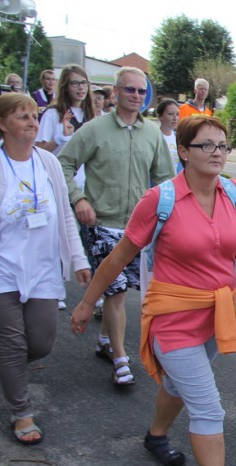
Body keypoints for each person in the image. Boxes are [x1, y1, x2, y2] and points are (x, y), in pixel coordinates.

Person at [71, 115, 236, 466]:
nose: (217, 153)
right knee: (207, 407)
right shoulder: (160, 200)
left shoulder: (234, 193)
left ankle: (155, 436)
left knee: (176, 385)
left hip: (216, 315)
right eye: (206, 145)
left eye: (222, 145)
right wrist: (86, 303)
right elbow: (118, 257)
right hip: (172, 318)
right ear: (184, 152)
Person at [0, 93, 91, 445]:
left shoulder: (48, 163)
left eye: (34, 116)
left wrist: (78, 259)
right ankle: (21, 412)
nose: (32, 122)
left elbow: (65, 215)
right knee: (13, 345)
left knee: (42, 343)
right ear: (2, 123)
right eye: (23, 117)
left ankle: (9, 366)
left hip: (42, 270)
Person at [58, 66, 175, 387]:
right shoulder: (94, 129)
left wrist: (168, 218)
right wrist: (79, 199)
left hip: (138, 229)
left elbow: (166, 180)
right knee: (116, 291)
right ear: (116, 92)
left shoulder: (152, 134)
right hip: (101, 225)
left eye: (141, 91)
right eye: (130, 89)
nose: (136, 96)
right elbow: (63, 163)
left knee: (126, 292)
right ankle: (121, 359)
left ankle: (105, 341)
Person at [36, 64, 96, 191]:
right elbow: (39, 150)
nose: (81, 87)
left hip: (85, 186)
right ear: (65, 86)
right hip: (58, 183)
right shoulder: (53, 114)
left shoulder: (91, 115)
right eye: (75, 83)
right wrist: (60, 139)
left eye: (84, 83)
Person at [156, 98, 181, 169]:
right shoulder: (155, 137)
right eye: (170, 114)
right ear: (160, 116)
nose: (175, 118)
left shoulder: (179, 138)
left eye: (177, 114)